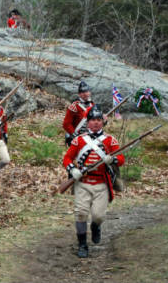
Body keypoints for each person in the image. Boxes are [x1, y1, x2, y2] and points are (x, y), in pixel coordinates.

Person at [63, 105, 124, 258]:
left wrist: (112, 159)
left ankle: (96, 226)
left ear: (102, 122)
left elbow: (121, 159)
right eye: (92, 120)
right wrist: (73, 170)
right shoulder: (79, 140)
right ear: (87, 122)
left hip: (102, 183)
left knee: (98, 216)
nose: (96, 123)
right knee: (81, 213)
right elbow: (67, 158)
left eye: (98, 120)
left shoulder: (110, 140)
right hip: (83, 183)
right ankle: (82, 245)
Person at [63, 81, 94, 147]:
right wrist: (75, 135)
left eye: (87, 91)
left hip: (90, 135)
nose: (85, 94)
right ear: (79, 94)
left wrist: (104, 120)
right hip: (78, 136)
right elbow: (66, 124)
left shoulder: (92, 105)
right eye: (83, 92)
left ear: (90, 93)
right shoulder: (74, 107)